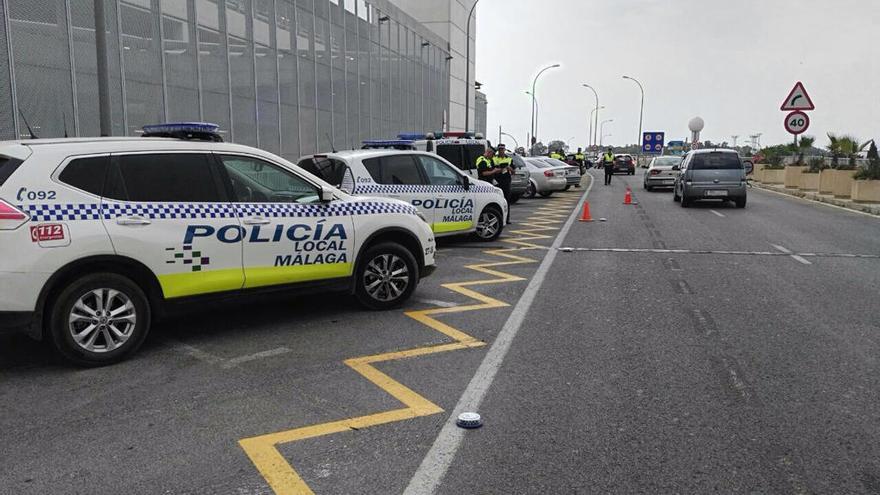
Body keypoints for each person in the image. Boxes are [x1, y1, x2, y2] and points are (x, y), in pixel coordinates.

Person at [492, 144, 513, 223]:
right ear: (498, 150)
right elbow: (492, 168)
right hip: (497, 181)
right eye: (500, 149)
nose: (501, 151)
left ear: (504, 150)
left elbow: (513, 171)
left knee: (506, 200)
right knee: (497, 200)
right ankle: (499, 218)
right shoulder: (494, 158)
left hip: (506, 181)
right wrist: (499, 169)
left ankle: (507, 219)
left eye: (502, 149)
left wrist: (508, 168)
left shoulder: (509, 159)